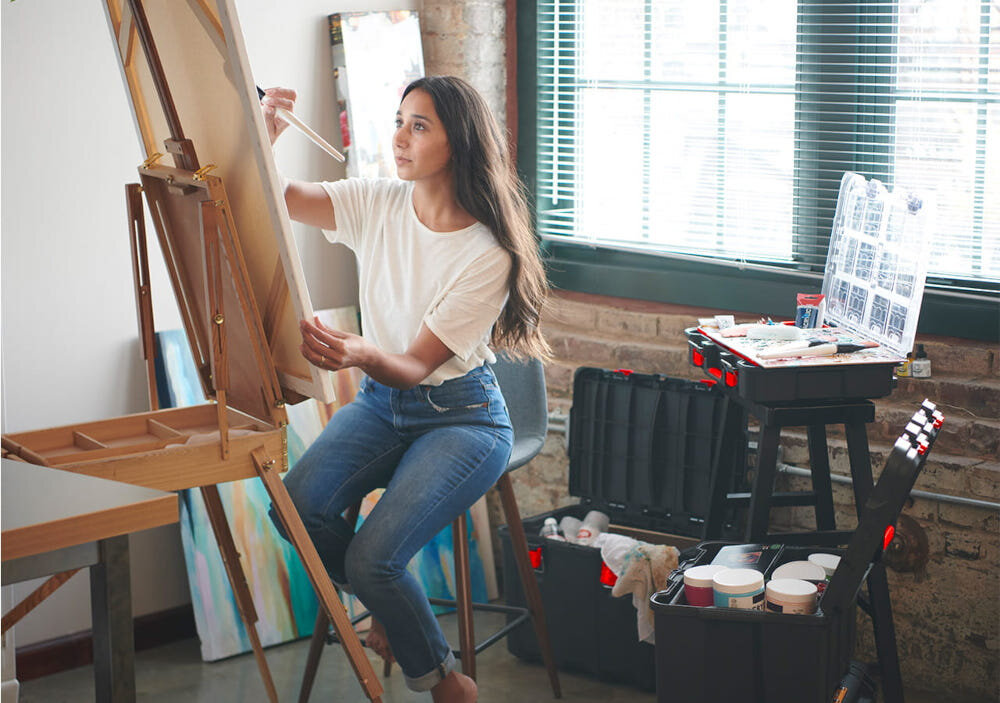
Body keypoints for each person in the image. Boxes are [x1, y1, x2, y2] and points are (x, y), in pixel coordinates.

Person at [261, 76, 550, 703]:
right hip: (381, 406)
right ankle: (395, 614)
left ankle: (446, 683)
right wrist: (264, 137)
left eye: (419, 126)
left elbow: (415, 366)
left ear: (459, 142)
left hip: (463, 418)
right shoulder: (379, 202)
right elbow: (279, 198)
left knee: (371, 559)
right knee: (296, 509)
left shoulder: (488, 253)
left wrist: (359, 352)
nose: (399, 137)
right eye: (398, 120)